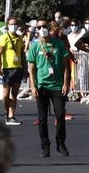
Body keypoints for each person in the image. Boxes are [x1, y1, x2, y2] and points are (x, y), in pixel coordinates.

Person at [26, 21, 71, 158]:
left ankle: (60, 142)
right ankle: (45, 146)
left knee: (59, 114)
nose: (42, 29)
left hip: (57, 85)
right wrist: (33, 87)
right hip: (41, 86)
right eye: (39, 27)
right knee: (42, 118)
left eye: (44, 26)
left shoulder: (58, 44)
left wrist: (66, 83)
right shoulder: (35, 46)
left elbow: (66, 66)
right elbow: (31, 69)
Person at [0, 16, 26, 125]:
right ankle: (6, 112)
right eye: (11, 24)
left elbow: (22, 54)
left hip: (18, 68)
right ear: (7, 26)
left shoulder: (19, 38)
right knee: (5, 95)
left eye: (15, 24)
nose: (13, 26)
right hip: (7, 69)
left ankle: (11, 115)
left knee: (14, 94)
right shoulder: (4, 37)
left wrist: (25, 68)